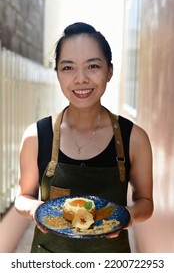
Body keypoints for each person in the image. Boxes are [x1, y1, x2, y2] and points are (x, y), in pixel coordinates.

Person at [15, 22, 153, 253]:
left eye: (92, 66)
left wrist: (127, 216)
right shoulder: (36, 136)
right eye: (68, 68)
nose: (81, 79)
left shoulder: (134, 138)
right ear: (57, 73)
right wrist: (34, 209)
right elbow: (22, 197)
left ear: (109, 71)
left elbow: (146, 204)